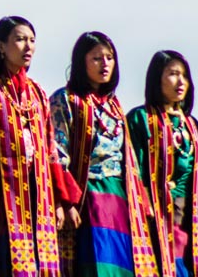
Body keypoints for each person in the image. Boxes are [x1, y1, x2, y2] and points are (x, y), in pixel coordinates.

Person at [49, 32, 159, 276]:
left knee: (122, 266)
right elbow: (57, 152)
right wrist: (65, 201)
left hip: (119, 195)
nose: (105, 64)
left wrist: (142, 202)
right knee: (96, 264)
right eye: (97, 58)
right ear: (81, 62)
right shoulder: (66, 100)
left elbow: (128, 157)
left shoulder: (114, 104)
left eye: (110, 58)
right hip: (89, 194)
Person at [0, 16, 70, 276]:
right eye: (20, 39)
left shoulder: (37, 93)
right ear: (1, 46)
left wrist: (57, 199)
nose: (28, 47)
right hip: (4, 196)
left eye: (32, 40)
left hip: (39, 196)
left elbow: (50, 148)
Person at [126, 50, 198, 276]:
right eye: (172, 74)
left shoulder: (193, 127)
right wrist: (144, 208)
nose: (181, 81)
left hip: (189, 218)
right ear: (156, 79)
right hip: (155, 215)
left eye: (184, 75)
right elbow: (136, 170)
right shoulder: (140, 119)